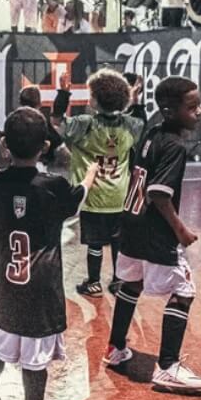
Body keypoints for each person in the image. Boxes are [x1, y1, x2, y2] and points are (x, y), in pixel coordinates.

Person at [0, 107, 99, 400]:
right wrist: (88, 177)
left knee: (0, 338)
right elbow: (76, 200)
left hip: (7, 284)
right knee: (36, 351)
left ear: (4, 145)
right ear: (44, 146)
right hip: (41, 289)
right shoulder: (52, 186)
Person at [104, 76, 201, 393]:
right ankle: (167, 366)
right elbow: (159, 193)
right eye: (192, 107)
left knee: (132, 283)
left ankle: (115, 347)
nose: (199, 112)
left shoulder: (151, 134)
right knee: (184, 290)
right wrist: (181, 229)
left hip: (131, 225)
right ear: (169, 110)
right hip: (154, 231)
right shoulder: (175, 146)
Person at [57, 69, 144, 297]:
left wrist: (63, 94)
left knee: (95, 243)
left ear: (95, 100)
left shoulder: (85, 124)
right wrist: (136, 100)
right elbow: (141, 121)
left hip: (93, 196)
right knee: (117, 241)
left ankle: (94, 282)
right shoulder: (129, 125)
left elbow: (57, 122)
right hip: (119, 195)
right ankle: (117, 280)